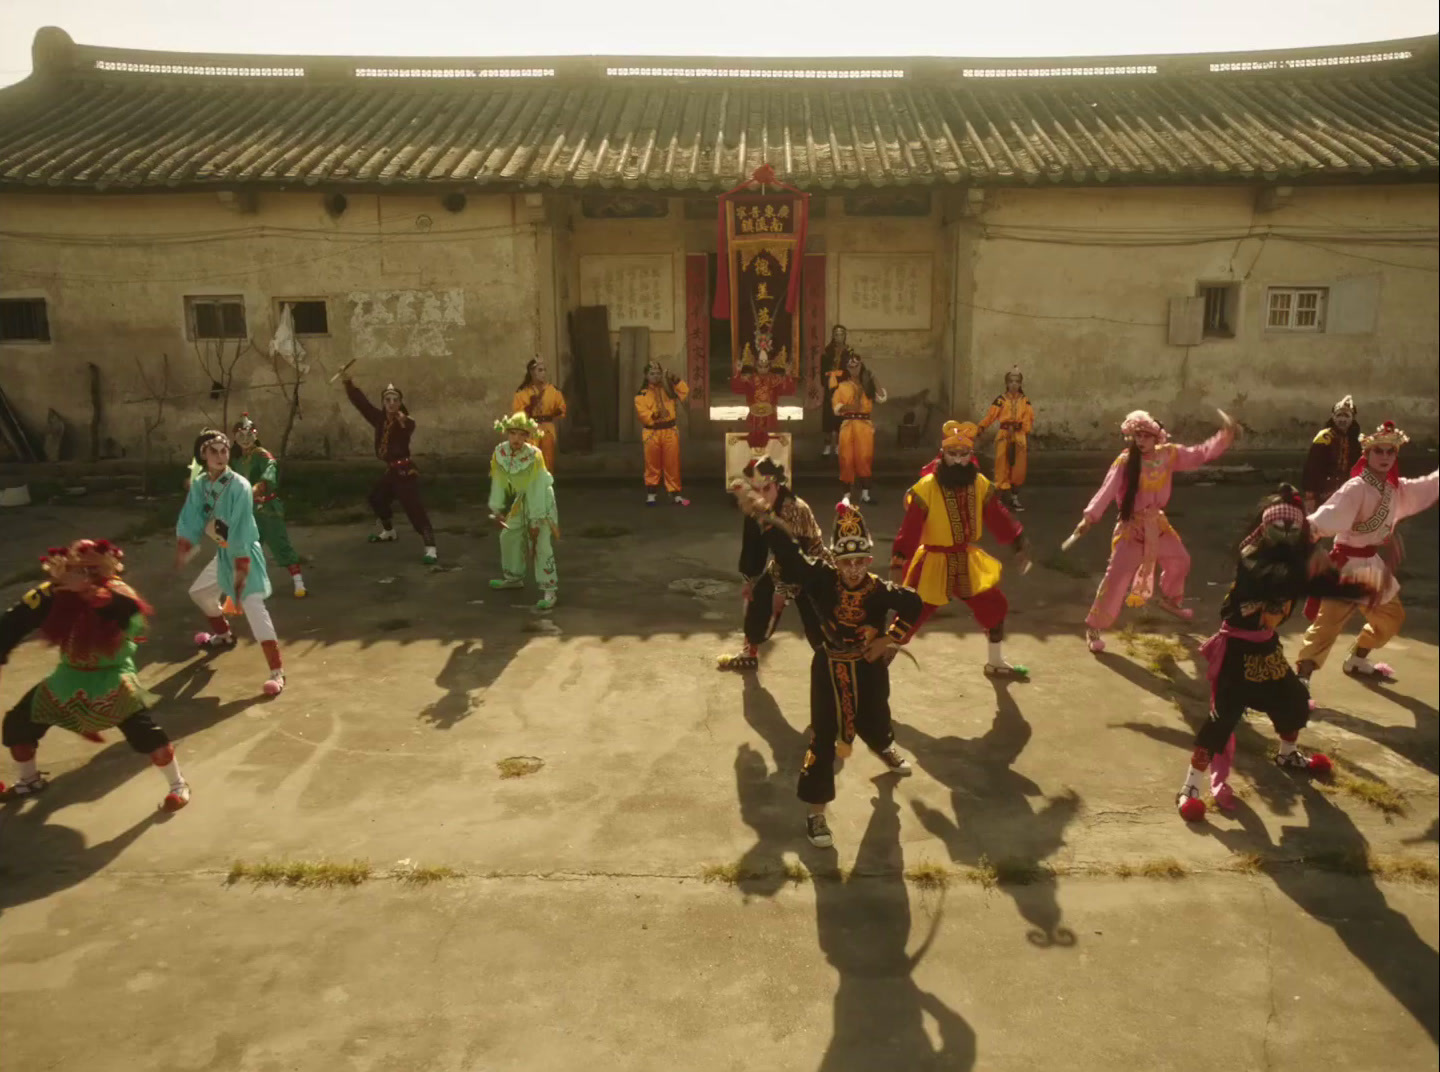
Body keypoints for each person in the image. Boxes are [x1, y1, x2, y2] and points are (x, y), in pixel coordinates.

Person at [732, 486, 922, 849]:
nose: (853, 570)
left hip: (869, 666)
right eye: (846, 562)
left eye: (860, 561)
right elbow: (789, 551)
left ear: (869, 560)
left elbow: (914, 603)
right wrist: (763, 517)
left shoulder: (880, 589)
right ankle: (816, 813)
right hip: (829, 667)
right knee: (822, 737)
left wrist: (889, 639)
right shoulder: (820, 577)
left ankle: (883, 746)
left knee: (878, 714)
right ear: (835, 559)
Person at [1178, 485, 1370, 821]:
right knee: (1222, 719)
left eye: (1292, 530)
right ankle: (1190, 785)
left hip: (1266, 648)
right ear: (1265, 528)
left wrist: (1357, 589)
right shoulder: (1253, 555)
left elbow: (1315, 584)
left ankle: (1288, 754)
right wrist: (1309, 565)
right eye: (1278, 528)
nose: (1284, 535)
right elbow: (1275, 578)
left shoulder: (1293, 559)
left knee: (1294, 699)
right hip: (1236, 652)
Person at [1, 539, 189, 810]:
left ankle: (178, 784)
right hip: (67, 679)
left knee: (146, 735)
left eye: (92, 567)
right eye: (80, 566)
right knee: (18, 725)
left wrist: (88, 592)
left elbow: (124, 611)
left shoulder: (118, 590)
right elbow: (15, 620)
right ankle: (29, 780)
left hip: (112, 679)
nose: (85, 573)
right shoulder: (57, 591)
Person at [1068, 409, 1237, 653]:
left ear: (1156, 437)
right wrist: (1089, 517)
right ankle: (1094, 626)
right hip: (1131, 529)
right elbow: (1106, 491)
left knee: (1181, 561)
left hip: (1157, 525)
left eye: (1146, 436)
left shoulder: (1168, 454)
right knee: (1116, 579)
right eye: (1137, 435)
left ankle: (1170, 600)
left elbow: (1199, 454)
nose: (1141, 440)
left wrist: (1225, 436)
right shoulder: (1125, 461)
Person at [1295, 420, 1437, 689]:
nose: (1384, 457)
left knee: (1391, 618)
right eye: (1378, 451)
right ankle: (1302, 678)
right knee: (1326, 627)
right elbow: (1327, 516)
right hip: (1346, 567)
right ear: (1367, 455)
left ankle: (1357, 658)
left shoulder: (1395, 488)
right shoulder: (1356, 488)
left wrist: (1390, 535)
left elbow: (1429, 484)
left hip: (1372, 566)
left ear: (1395, 455)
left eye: (1390, 452)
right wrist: (1307, 537)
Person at [890, 420, 1031, 678]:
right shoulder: (926, 487)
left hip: (964, 560)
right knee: (909, 617)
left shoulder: (979, 484)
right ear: (942, 454)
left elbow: (997, 517)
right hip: (932, 561)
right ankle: (875, 665)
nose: (957, 460)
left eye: (963, 454)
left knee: (994, 605)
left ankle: (995, 661)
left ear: (971, 455)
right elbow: (909, 529)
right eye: (952, 454)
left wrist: (1017, 543)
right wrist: (899, 562)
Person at [177, 429, 287, 696]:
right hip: (224, 552)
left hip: (243, 552)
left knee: (252, 605)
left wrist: (212, 531)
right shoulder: (202, 483)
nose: (220, 455)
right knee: (200, 593)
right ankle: (224, 635)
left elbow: (236, 528)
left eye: (224, 450)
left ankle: (277, 671)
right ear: (203, 455)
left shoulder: (240, 486)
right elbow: (191, 516)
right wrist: (187, 539)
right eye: (213, 451)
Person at [716, 458, 826, 671]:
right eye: (757, 490)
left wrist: (783, 590)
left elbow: (796, 556)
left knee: (816, 619)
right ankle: (750, 652)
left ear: (777, 484)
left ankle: (833, 662)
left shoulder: (794, 507)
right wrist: (749, 578)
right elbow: (753, 547)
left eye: (767, 489)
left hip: (812, 565)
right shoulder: (756, 509)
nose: (763, 495)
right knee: (756, 598)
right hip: (783, 563)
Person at [343, 375, 438, 565]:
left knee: (413, 508)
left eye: (396, 400)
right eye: (388, 400)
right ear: (384, 402)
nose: (392, 403)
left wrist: (403, 420)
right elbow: (362, 404)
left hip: (405, 472)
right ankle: (389, 531)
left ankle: (431, 548)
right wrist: (348, 383)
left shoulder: (405, 421)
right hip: (391, 472)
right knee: (376, 498)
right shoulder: (379, 419)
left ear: (400, 403)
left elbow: (408, 425)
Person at [488, 412, 560, 611]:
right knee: (508, 535)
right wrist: (496, 509)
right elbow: (499, 481)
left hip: (541, 501)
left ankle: (549, 589)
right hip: (522, 499)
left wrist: (536, 521)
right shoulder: (500, 452)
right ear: (506, 434)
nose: (517, 439)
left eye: (522, 434)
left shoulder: (534, 455)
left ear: (528, 436)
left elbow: (537, 487)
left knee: (540, 544)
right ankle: (513, 577)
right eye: (512, 433)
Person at [230, 414, 307, 598]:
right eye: (241, 436)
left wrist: (256, 489)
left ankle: (298, 582)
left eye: (249, 435)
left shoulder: (263, 456)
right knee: (246, 547)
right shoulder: (235, 460)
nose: (245, 440)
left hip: (267, 508)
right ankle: (247, 585)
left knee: (280, 543)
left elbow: (268, 475)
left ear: (255, 436)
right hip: (247, 510)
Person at [976, 365, 1036, 511]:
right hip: (1004, 436)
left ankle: (1015, 498)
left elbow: (1029, 418)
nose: (1014, 384)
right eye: (1011, 381)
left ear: (1020, 384)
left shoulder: (1025, 401)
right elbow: (991, 416)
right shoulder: (1001, 400)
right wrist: (980, 428)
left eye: (1017, 381)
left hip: (1019, 436)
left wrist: (1022, 428)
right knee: (1001, 465)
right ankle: (1000, 498)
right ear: (1007, 383)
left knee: (1018, 468)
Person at [634, 360, 690, 507]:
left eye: (658, 373)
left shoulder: (668, 389)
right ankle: (651, 494)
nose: (656, 376)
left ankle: (675, 493)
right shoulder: (641, 394)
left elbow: (685, 392)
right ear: (646, 376)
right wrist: (656, 414)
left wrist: (675, 379)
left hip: (670, 430)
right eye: (652, 374)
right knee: (652, 464)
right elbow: (642, 413)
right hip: (652, 432)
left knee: (672, 463)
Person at [832, 352, 885, 504]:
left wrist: (874, 379)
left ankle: (865, 494)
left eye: (857, 365)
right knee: (846, 458)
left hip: (864, 425)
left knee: (864, 457)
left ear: (861, 366)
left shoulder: (867, 384)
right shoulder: (842, 386)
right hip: (848, 424)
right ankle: (846, 494)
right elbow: (836, 408)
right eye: (850, 365)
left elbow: (882, 398)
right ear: (846, 367)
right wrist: (850, 406)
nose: (854, 368)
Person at [732, 334, 797, 451]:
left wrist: (788, 375)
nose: (763, 369)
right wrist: (738, 372)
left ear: (769, 366)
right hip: (753, 417)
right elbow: (737, 389)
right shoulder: (750, 379)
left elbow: (789, 390)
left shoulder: (774, 379)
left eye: (765, 366)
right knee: (753, 446)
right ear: (756, 366)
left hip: (770, 416)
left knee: (771, 445)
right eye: (760, 366)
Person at [1301, 395, 1361, 513]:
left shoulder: (1355, 440)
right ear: (1333, 417)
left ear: (1352, 418)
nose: (1342, 420)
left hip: (1347, 490)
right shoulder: (1324, 437)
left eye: (1346, 416)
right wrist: (1310, 496)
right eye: (1339, 415)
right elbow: (1312, 466)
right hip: (1324, 490)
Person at [513, 357, 567, 474]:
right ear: (532, 372)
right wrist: (529, 408)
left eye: (544, 370)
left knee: (548, 460)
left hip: (547, 428)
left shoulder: (553, 391)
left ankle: (546, 486)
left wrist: (554, 412)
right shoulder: (523, 392)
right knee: (531, 459)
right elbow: (517, 413)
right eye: (540, 370)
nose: (543, 373)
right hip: (531, 428)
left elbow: (562, 408)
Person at [820, 325, 852, 458]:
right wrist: (827, 379)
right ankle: (827, 445)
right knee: (828, 415)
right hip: (830, 387)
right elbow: (822, 369)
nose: (839, 337)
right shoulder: (827, 351)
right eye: (836, 334)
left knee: (841, 415)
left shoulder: (849, 352)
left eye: (841, 334)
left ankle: (839, 445)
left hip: (843, 387)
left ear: (845, 336)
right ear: (833, 336)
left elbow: (851, 370)